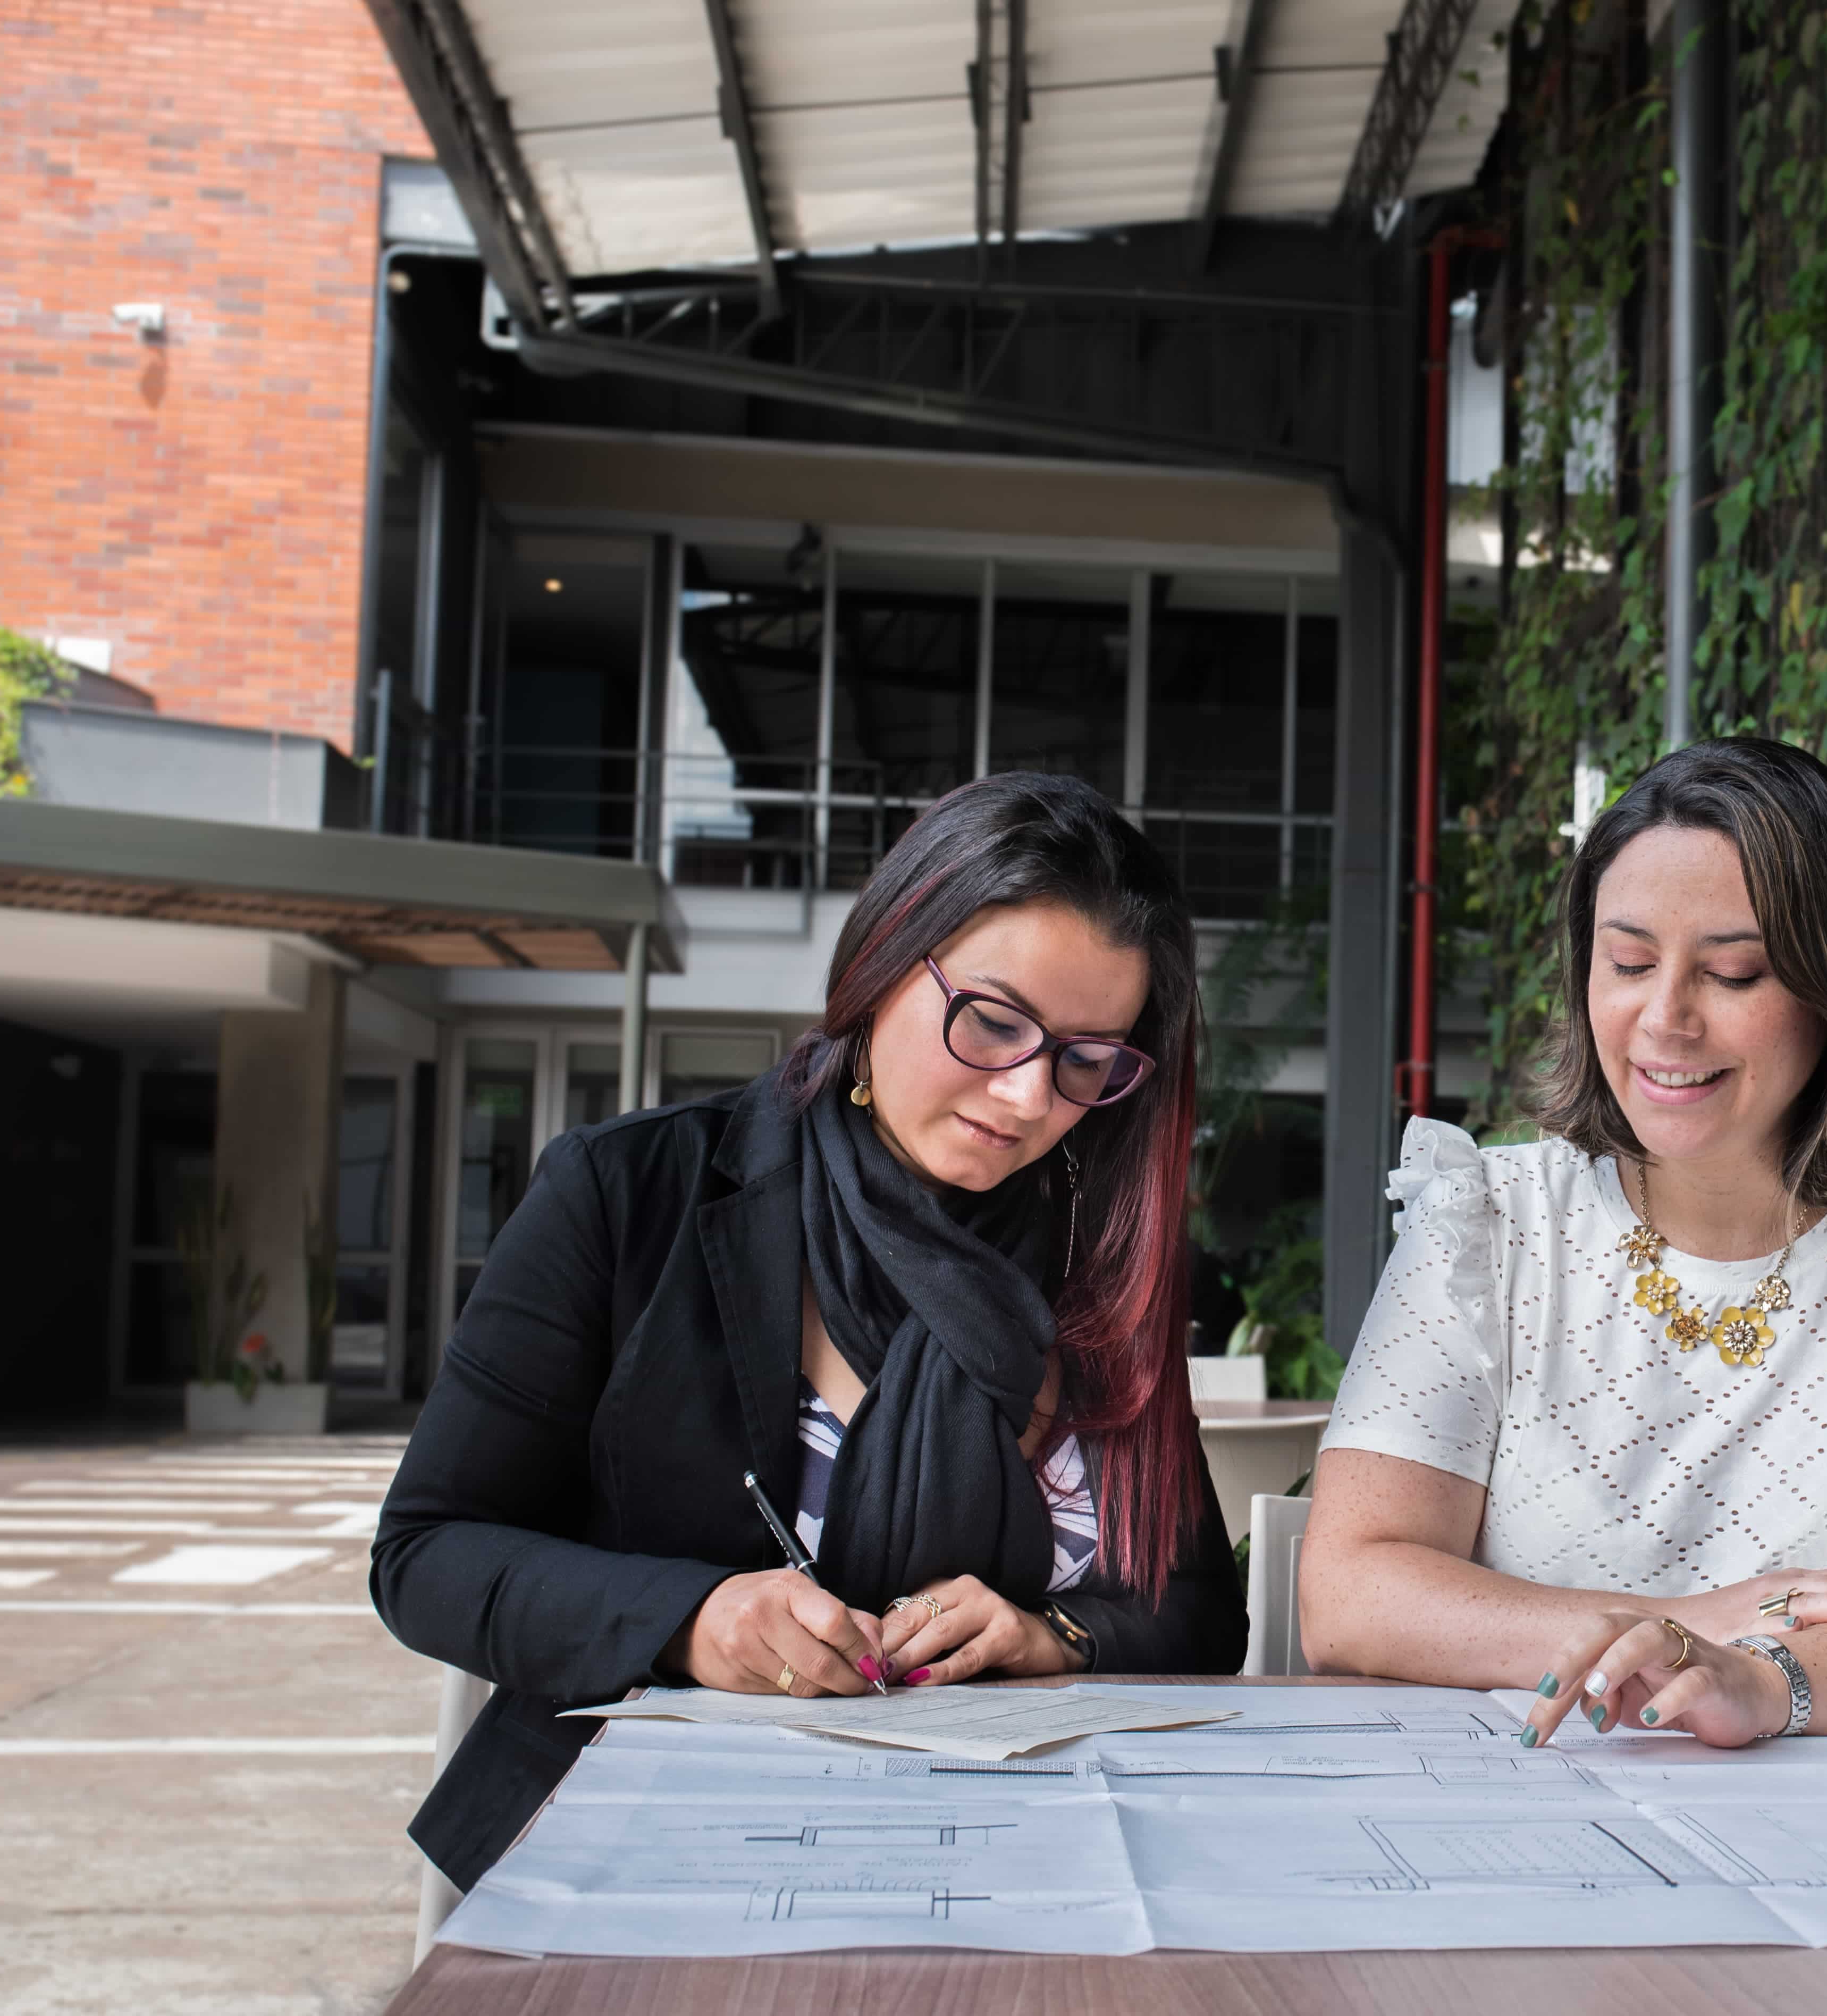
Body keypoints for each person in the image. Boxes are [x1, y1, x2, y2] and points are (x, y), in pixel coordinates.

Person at [375, 774, 1243, 1889]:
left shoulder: (1094, 1261)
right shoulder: (632, 1193)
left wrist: (1052, 1637)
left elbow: (1200, 1609)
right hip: (631, 1852)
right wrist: (692, 1617)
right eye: (991, 1022)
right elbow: (428, 1554)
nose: (1029, 1096)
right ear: (885, 960)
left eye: (1084, 1059)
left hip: (1004, 1859)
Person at [1300, 736, 1827, 1748]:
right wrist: (1699, 1632)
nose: (1665, 1018)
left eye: (1733, 974)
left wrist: (1765, 1683)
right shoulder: (1489, 1224)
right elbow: (1347, 1595)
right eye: (1630, 963)